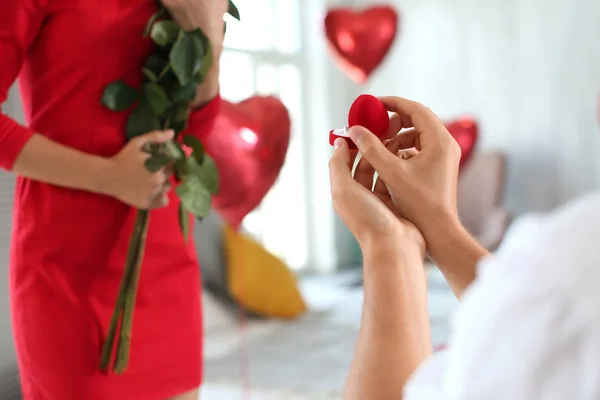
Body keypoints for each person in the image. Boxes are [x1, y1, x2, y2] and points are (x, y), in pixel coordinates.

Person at [1, 0, 226, 399]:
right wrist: (110, 177)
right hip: (70, 277)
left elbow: (196, 133)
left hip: (168, 269)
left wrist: (207, 37)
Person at [330, 96, 600, 399]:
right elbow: (515, 314)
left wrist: (388, 248)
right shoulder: (563, 274)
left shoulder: (563, 271)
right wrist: (440, 226)